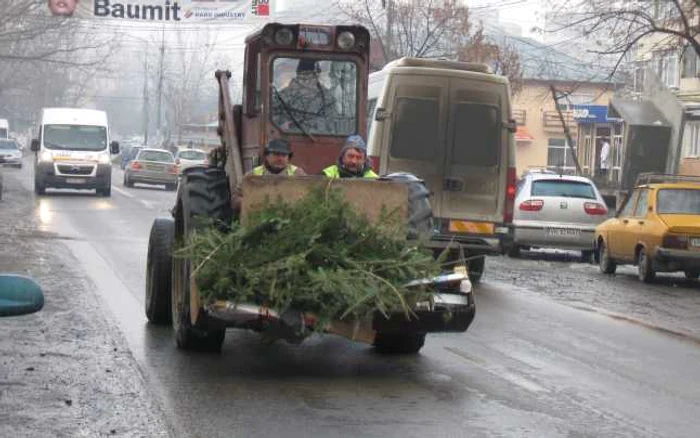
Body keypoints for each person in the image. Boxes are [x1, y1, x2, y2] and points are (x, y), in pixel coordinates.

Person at [272, 59, 338, 134]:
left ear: (317, 77)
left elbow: (331, 126)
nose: (306, 83)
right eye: (302, 78)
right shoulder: (283, 96)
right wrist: (280, 126)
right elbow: (271, 120)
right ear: (297, 76)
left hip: (320, 140)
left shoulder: (327, 99)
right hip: (288, 138)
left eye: (310, 78)